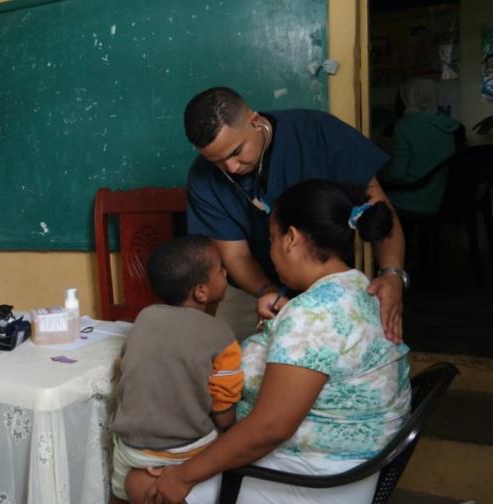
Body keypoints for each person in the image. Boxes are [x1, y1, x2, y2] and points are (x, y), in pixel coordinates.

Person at [133, 179, 411, 504]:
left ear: (291, 238)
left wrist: (182, 475)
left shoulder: (312, 315)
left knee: (140, 482)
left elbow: (270, 429)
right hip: (348, 463)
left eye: (272, 239)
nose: (271, 252)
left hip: (311, 478)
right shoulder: (359, 288)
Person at [183, 87, 407, 343]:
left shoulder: (317, 132)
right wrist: (268, 292)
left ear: (254, 121)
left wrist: (392, 275)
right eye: (217, 162)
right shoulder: (202, 177)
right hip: (253, 289)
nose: (231, 168)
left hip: (327, 282)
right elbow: (236, 255)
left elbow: (377, 209)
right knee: (229, 357)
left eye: (236, 152)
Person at [109, 234, 243, 504]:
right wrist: (229, 427)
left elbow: (127, 366)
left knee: (119, 492)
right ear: (201, 291)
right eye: (220, 269)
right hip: (186, 449)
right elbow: (223, 408)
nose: (226, 273)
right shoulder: (221, 335)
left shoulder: (144, 318)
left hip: (131, 446)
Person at [381, 78, 461, 215]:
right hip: (440, 200)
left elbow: (397, 173)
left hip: (409, 200)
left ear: (408, 98)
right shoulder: (448, 125)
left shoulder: (405, 126)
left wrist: (380, 175)